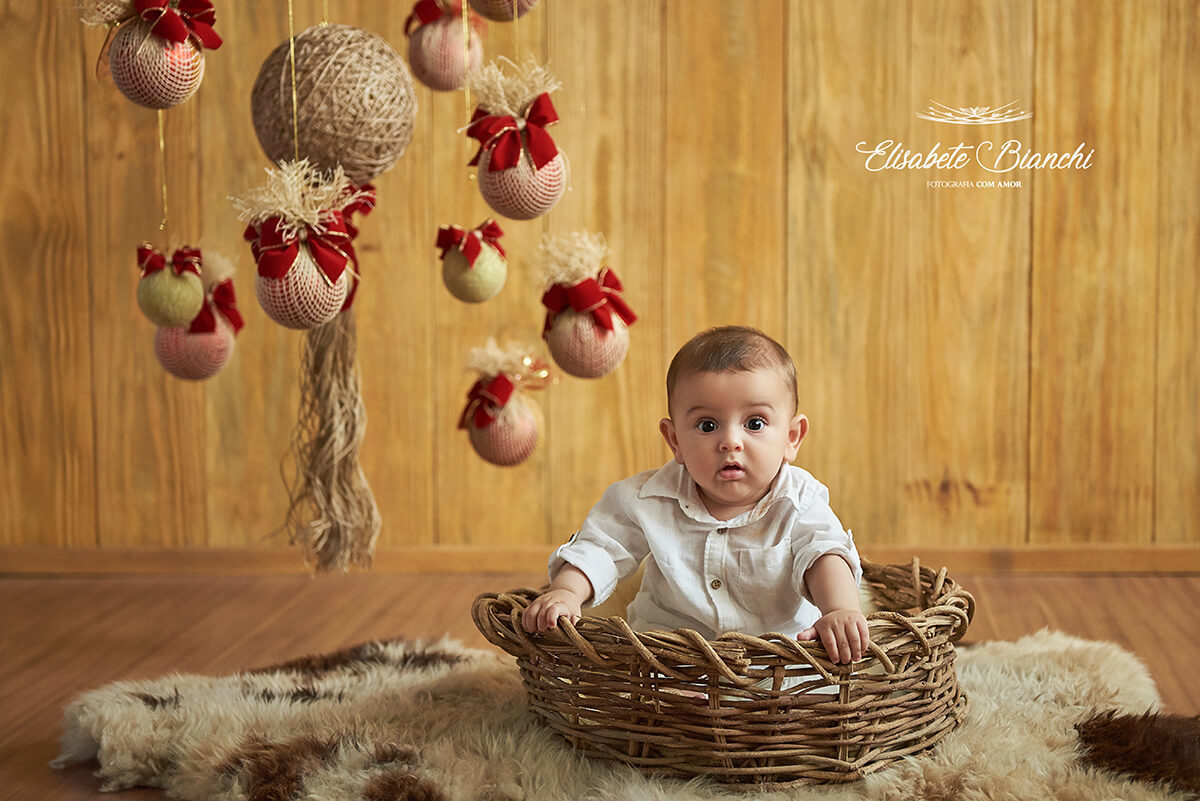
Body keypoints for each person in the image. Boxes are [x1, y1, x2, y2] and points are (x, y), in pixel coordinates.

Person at [521, 325, 869, 665]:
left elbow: (823, 553)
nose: (730, 442)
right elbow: (601, 547)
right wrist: (567, 592)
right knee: (645, 681)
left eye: (755, 423)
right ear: (675, 440)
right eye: (707, 425)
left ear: (792, 437)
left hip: (776, 659)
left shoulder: (799, 500)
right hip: (669, 658)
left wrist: (838, 609)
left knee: (812, 684)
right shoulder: (647, 499)